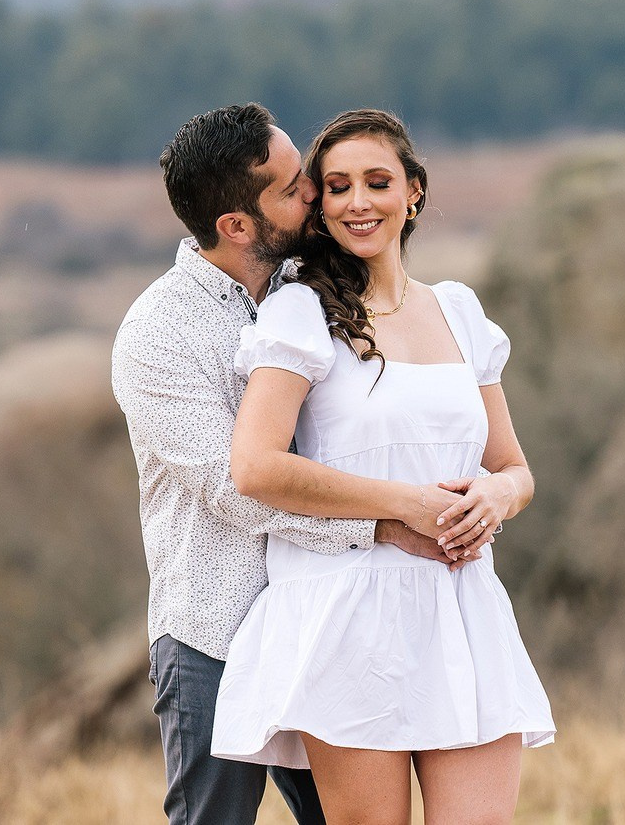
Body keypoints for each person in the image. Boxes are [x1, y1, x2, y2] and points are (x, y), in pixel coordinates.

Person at [112, 103, 474, 825]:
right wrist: (385, 523)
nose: (314, 192)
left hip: (328, 617)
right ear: (237, 226)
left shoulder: (315, 288)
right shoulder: (157, 336)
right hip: (216, 630)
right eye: (291, 188)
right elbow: (234, 486)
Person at [212, 107, 554, 825]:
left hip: (462, 607)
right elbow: (255, 466)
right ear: (321, 206)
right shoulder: (302, 312)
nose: (357, 202)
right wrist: (405, 504)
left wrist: (496, 497)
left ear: (414, 191)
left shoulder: (460, 312)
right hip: (349, 612)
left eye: (376, 181)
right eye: (336, 187)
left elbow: (514, 469)